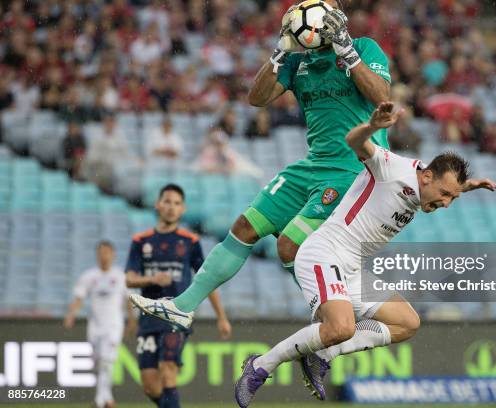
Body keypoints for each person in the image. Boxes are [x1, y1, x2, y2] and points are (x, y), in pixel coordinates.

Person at [130, 0, 394, 329]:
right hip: (312, 166)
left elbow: (383, 96)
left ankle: (337, 318)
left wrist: (346, 51)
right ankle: (183, 306)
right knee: (245, 227)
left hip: (352, 170)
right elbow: (257, 98)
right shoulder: (298, 62)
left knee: (289, 245)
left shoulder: (364, 47)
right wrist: (280, 51)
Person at [234, 102, 496, 407]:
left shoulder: (427, 183)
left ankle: (323, 353)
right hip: (325, 253)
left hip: (351, 267)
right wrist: (373, 127)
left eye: (453, 197)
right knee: (340, 328)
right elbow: (354, 142)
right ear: (426, 177)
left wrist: (467, 186)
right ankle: (261, 366)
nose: (447, 203)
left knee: (407, 323)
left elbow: (446, 184)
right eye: (445, 195)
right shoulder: (391, 168)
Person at [126, 184, 232, 408]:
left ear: (182, 209)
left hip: (177, 316)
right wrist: (152, 280)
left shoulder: (190, 241)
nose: (171, 207)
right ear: (158, 204)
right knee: (150, 386)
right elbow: (129, 279)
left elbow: (207, 279)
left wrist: (221, 316)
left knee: (168, 371)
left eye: (176, 203)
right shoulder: (141, 241)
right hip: (148, 318)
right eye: (167, 201)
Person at [64, 241, 136, 408]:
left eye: (107, 252)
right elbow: (79, 298)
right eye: (101, 252)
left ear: (113, 254)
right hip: (95, 326)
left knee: (106, 361)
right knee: (98, 362)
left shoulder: (120, 276)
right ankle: (107, 397)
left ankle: (100, 400)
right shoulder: (89, 276)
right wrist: (71, 315)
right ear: (97, 255)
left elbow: (129, 300)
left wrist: (131, 321)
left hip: (113, 326)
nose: (104, 256)